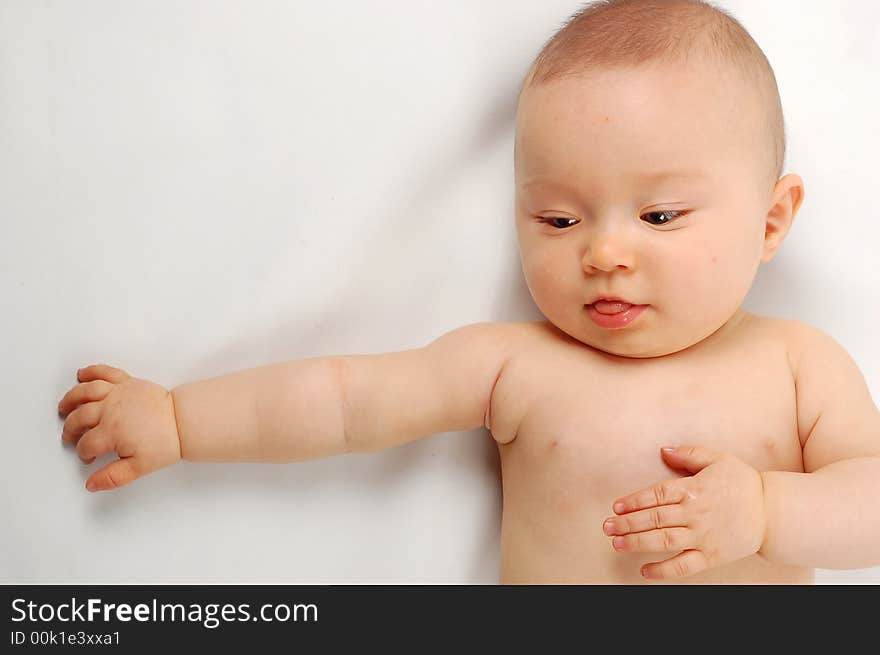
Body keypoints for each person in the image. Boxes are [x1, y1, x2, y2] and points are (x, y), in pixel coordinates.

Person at [57, 0, 880, 583]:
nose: (603, 251)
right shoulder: (513, 365)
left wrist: (767, 511)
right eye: (557, 220)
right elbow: (345, 400)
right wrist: (178, 419)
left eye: (660, 214)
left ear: (772, 221)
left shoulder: (797, 366)